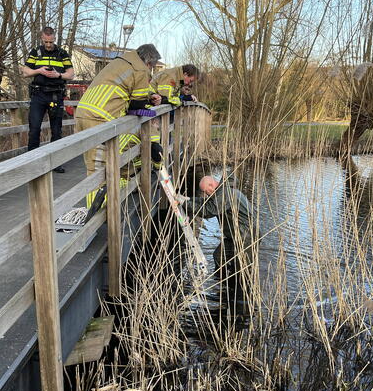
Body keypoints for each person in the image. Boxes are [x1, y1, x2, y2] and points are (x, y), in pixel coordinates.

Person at [75, 44, 162, 207]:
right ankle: (95, 220)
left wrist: (148, 96)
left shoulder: (123, 61)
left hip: (84, 112)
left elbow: (125, 88)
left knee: (93, 166)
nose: (151, 71)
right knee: (98, 171)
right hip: (99, 117)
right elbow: (137, 105)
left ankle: (102, 208)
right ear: (149, 62)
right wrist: (148, 102)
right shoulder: (141, 69)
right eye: (152, 67)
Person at [181, 175, 254, 312]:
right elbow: (206, 203)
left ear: (211, 185)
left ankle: (242, 301)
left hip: (246, 236)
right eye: (204, 192)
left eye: (206, 190)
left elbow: (209, 210)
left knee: (242, 270)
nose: (206, 193)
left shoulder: (226, 193)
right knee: (219, 256)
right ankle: (223, 286)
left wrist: (185, 204)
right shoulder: (220, 193)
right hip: (233, 236)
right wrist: (188, 200)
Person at [22, 27, 74, 173]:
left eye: (51, 42)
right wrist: (39, 71)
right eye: (46, 41)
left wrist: (58, 75)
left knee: (56, 130)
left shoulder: (62, 53)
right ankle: (32, 162)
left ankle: (56, 162)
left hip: (56, 95)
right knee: (34, 129)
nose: (49, 45)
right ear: (42, 38)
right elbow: (25, 71)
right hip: (38, 95)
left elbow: (70, 74)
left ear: (54, 39)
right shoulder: (36, 52)